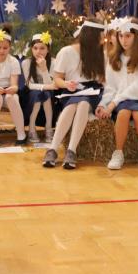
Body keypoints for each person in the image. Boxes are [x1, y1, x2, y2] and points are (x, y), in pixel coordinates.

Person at [96, 17, 138, 170]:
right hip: (122, 102)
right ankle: (118, 152)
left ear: (136, 36)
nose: (123, 40)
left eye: (128, 36)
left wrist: (113, 104)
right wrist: (103, 104)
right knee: (124, 112)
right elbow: (110, 87)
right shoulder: (114, 58)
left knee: (137, 113)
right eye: (120, 36)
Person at [43, 19, 106, 169]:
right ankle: (53, 149)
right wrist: (66, 84)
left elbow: (104, 81)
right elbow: (57, 79)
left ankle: (72, 150)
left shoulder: (101, 54)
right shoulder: (66, 52)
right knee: (71, 106)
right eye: (101, 36)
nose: (103, 39)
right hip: (71, 91)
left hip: (92, 92)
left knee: (83, 103)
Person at [21, 33, 56, 144]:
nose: (38, 51)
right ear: (31, 49)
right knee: (37, 94)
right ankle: (31, 128)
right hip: (30, 94)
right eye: (35, 48)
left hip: (49, 93)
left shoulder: (54, 62)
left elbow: (51, 85)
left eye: (42, 48)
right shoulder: (26, 63)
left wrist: (44, 69)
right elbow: (30, 85)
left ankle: (49, 128)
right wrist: (47, 86)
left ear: (48, 49)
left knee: (46, 94)